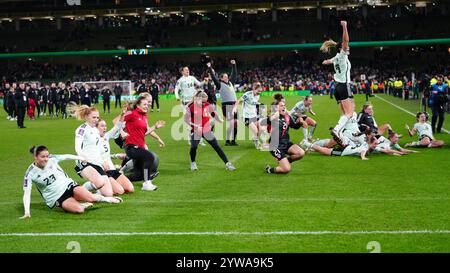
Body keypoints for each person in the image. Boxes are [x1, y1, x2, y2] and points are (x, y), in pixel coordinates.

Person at [20, 145, 122, 218]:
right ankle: (82, 204)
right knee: (79, 210)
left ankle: (108, 199)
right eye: (43, 157)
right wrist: (27, 212)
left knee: (91, 198)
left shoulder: (52, 159)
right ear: (35, 157)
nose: (46, 159)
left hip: (68, 185)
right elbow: (27, 193)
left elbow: (66, 156)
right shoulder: (30, 173)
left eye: (47, 156)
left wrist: (81, 158)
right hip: (56, 197)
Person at [320, 20, 354, 144]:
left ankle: (343, 132)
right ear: (342, 48)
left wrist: (332, 47)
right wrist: (345, 26)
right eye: (345, 47)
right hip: (344, 85)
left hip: (337, 87)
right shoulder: (343, 55)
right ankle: (338, 130)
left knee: (345, 113)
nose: (348, 48)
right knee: (350, 112)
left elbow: (326, 61)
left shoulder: (336, 58)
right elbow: (346, 41)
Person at [184, 90, 236, 171]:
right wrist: (195, 126)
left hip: (206, 130)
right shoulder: (192, 107)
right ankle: (193, 163)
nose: (204, 103)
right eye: (203, 102)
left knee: (217, 147)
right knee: (193, 147)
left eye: (206, 101)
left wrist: (219, 119)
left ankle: (227, 163)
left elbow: (213, 113)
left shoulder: (208, 105)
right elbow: (186, 120)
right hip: (196, 131)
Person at [123, 94, 166, 191]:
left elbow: (144, 133)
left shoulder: (144, 116)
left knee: (138, 175)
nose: (147, 106)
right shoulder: (132, 113)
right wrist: (121, 131)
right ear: (138, 105)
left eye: (148, 105)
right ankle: (147, 183)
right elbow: (116, 121)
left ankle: (116, 179)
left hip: (140, 147)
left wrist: (154, 127)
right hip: (131, 146)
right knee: (149, 156)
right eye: (145, 104)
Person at [72, 105, 115, 197]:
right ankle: (78, 192)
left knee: (109, 194)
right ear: (86, 117)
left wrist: (103, 162)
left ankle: (86, 191)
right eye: (94, 117)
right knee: (99, 182)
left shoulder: (95, 130)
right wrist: (82, 157)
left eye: (97, 117)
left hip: (96, 162)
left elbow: (98, 149)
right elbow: (77, 147)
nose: (96, 119)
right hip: (85, 163)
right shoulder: (82, 129)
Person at [263, 100, 305, 174]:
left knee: (301, 153)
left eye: (284, 105)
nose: (284, 107)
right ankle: (270, 169)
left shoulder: (287, 117)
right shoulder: (272, 117)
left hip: (286, 143)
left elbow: (295, 126)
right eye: (281, 105)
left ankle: (285, 161)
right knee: (286, 169)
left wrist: (299, 122)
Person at [96, 115, 134, 194]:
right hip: (103, 171)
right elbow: (92, 157)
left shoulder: (106, 136)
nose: (105, 128)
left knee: (130, 189)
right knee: (120, 191)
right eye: (102, 126)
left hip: (112, 169)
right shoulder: (92, 141)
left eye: (105, 126)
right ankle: (95, 187)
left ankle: (105, 186)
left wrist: (123, 113)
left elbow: (117, 126)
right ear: (96, 128)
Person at [207, 60, 239, 146]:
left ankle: (233, 141)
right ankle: (227, 141)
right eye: (225, 76)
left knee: (236, 123)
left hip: (234, 105)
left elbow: (234, 74)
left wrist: (234, 65)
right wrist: (209, 67)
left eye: (227, 76)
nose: (227, 77)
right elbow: (213, 77)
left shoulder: (231, 83)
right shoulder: (219, 84)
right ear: (221, 78)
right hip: (227, 105)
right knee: (231, 123)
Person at [175, 66, 204, 145]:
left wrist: (204, 81)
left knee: (198, 120)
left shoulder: (192, 78)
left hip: (194, 101)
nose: (188, 71)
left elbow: (199, 84)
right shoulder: (180, 80)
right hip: (186, 103)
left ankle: (200, 140)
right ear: (182, 72)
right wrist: (177, 97)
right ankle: (190, 139)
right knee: (189, 122)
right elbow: (176, 89)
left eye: (188, 69)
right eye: (186, 70)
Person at [234, 82, 263, 148]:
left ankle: (255, 139)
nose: (259, 93)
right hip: (246, 117)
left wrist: (259, 104)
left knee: (261, 129)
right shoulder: (247, 94)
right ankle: (257, 143)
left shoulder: (258, 95)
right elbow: (238, 101)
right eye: (258, 91)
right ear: (254, 89)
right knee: (255, 131)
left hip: (254, 115)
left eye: (260, 91)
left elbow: (253, 103)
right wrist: (235, 108)